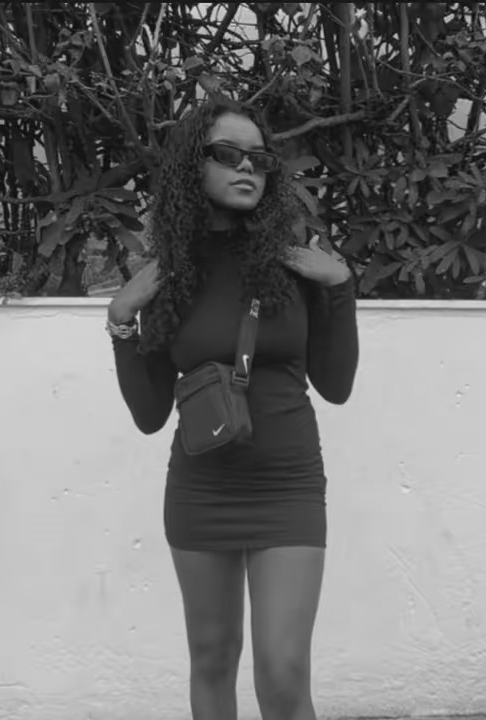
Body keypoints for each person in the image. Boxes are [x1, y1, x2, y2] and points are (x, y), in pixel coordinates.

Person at [107, 97, 359, 720]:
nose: (247, 167)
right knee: (214, 658)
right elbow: (149, 414)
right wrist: (121, 320)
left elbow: (335, 385)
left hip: (288, 486)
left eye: (260, 159)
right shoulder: (170, 275)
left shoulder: (296, 264)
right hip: (202, 489)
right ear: (193, 166)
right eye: (227, 154)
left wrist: (339, 287)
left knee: (283, 670)